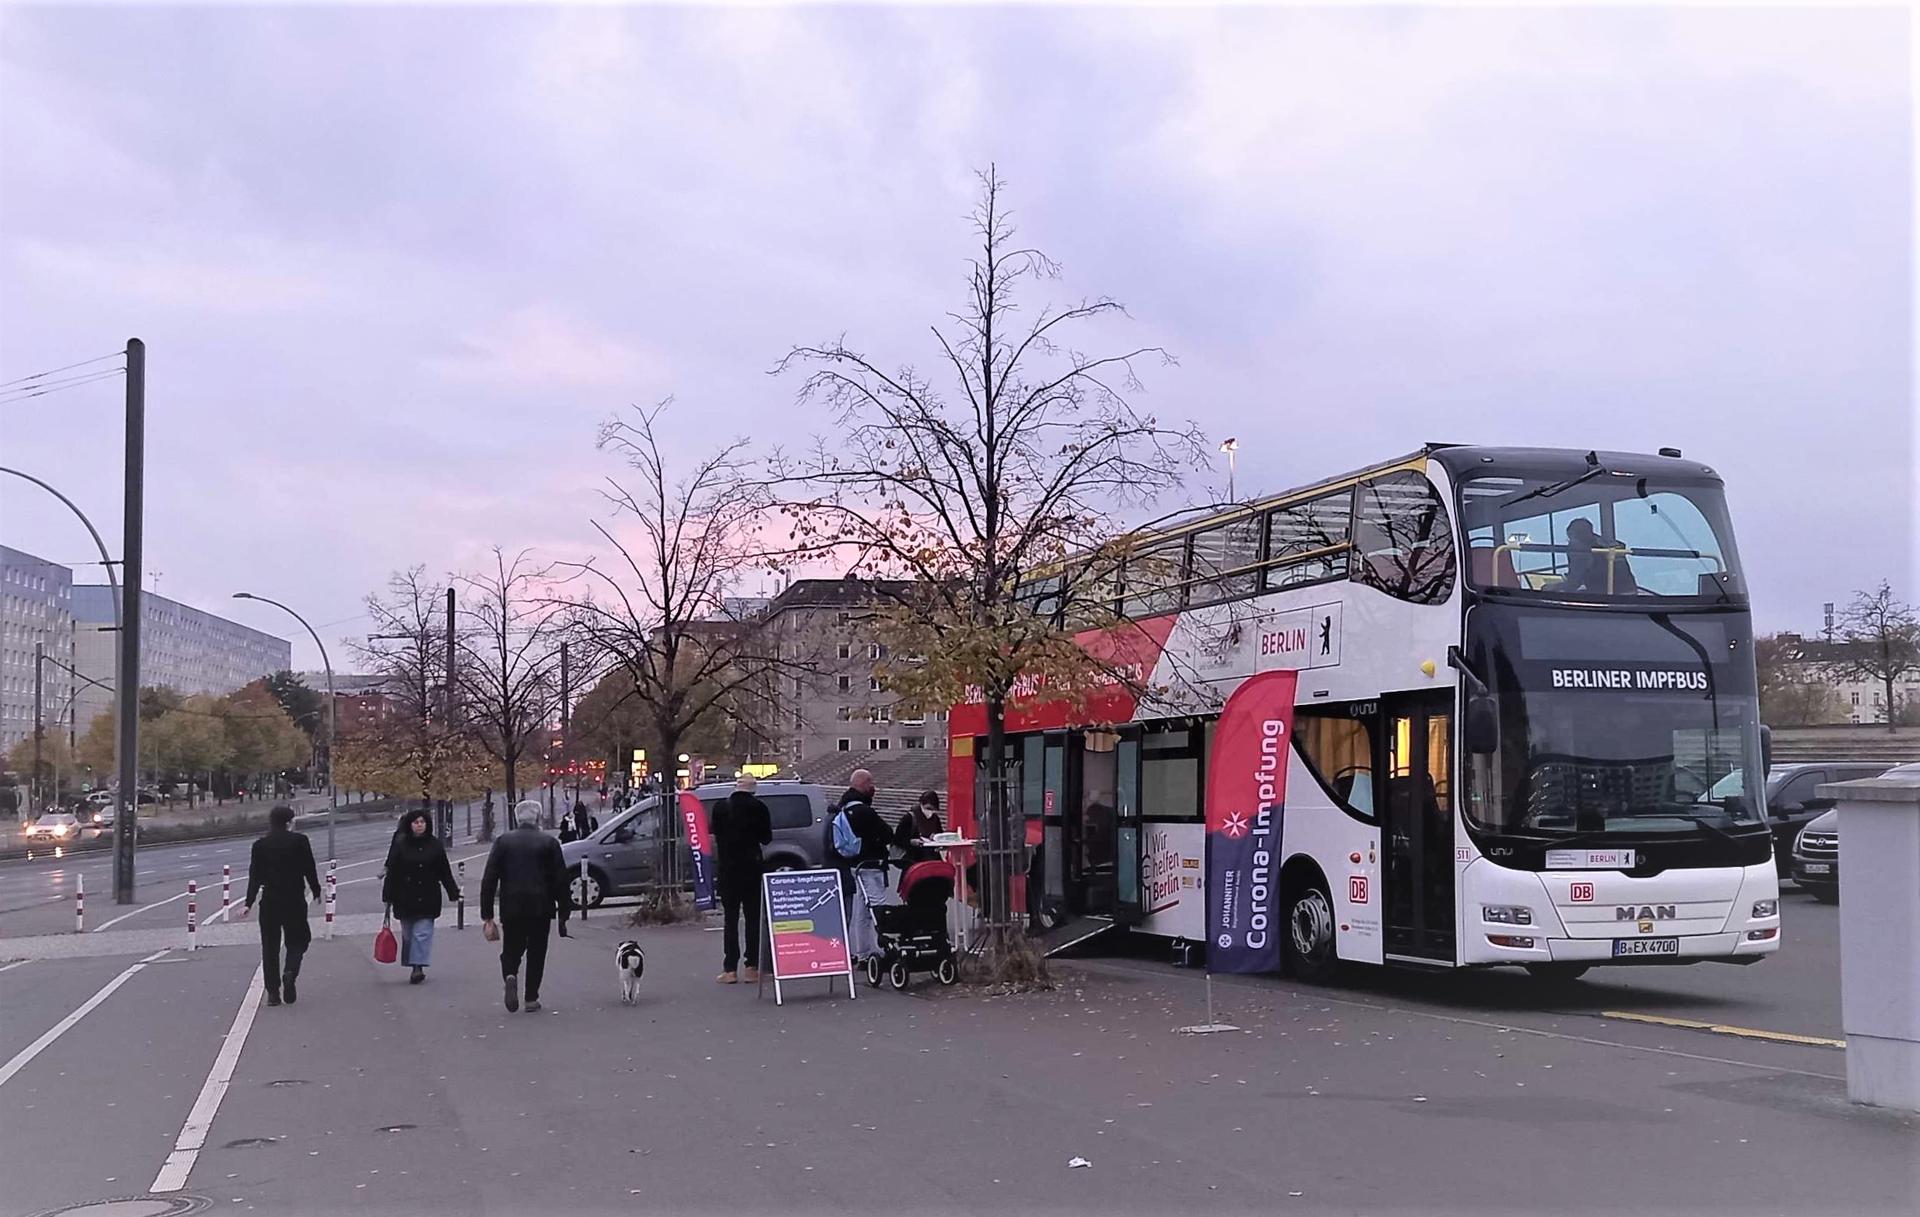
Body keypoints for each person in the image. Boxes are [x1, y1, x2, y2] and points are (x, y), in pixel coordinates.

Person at [481, 804, 573, 1013]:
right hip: (541, 905)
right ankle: (531, 997)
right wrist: (564, 912)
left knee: (511, 947)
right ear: (539, 818)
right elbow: (560, 879)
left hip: (511, 905)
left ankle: (510, 974)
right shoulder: (549, 842)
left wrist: (487, 913)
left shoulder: (503, 842)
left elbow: (490, 878)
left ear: (516, 818)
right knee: (537, 951)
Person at [241, 805, 322, 1008]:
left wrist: (248, 903)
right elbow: (309, 867)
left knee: (270, 947)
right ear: (289, 822)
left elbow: (255, 876)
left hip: (270, 901)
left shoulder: (260, 845)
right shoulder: (300, 841)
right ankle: (290, 972)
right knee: (299, 940)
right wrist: (316, 890)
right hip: (294, 899)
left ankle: (273, 993)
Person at [383, 808, 461, 985]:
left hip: (428, 895)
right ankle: (413, 963)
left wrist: (453, 891)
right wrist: (388, 896)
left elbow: (444, 871)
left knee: (422, 933)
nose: (420, 825)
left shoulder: (435, 845)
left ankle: (417, 967)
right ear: (410, 825)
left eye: (422, 822)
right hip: (405, 896)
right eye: (416, 822)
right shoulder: (401, 844)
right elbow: (392, 871)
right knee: (409, 934)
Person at [710, 774, 772, 983]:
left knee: (730, 918)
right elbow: (766, 838)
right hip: (751, 868)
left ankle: (730, 969)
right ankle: (752, 967)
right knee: (753, 917)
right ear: (753, 789)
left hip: (728, 869)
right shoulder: (759, 808)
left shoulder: (721, 807)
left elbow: (716, 833)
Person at [893, 789, 944, 865]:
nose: (930, 812)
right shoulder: (910, 817)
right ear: (921, 805)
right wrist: (911, 842)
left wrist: (936, 837)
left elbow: (940, 833)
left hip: (931, 856)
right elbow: (897, 838)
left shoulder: (935, 818)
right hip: (913, 858)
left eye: (933, 809)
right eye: (928, 808)